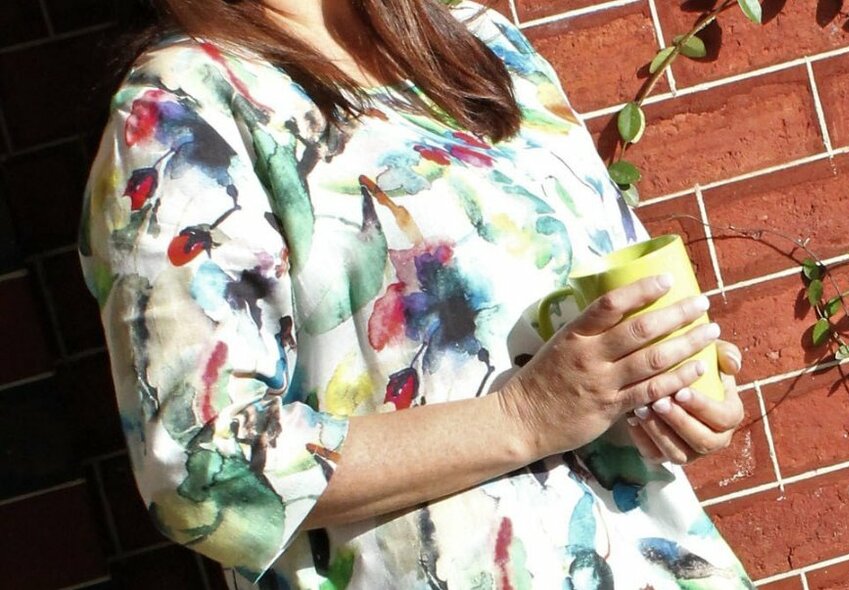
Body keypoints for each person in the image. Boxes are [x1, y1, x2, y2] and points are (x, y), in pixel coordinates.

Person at [78, 0, 754, 588]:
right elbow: (204, 470)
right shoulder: (177, 113)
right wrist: (525, 417)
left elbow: (604, 316)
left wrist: (671, 387)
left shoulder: (479, 43)